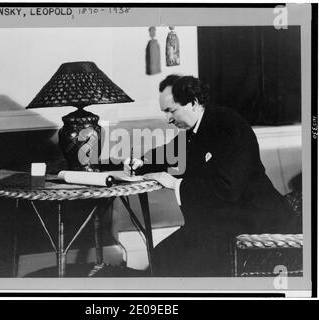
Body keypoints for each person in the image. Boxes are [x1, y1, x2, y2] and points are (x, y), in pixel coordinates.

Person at [125, 74, 300, 277]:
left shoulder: (229, 126)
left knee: (174, 259)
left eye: (171, 110)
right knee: (162, 255)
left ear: (194, 103)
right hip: (224, 222)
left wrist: (175, 183)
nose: (168, 119)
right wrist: (139, 164)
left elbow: (227, 188)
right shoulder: (195, 129)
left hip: (257, 224)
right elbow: (168, 153)